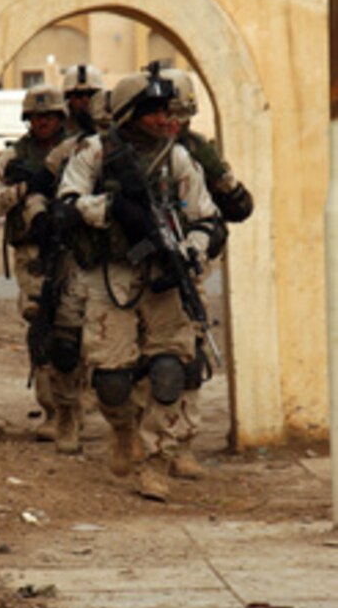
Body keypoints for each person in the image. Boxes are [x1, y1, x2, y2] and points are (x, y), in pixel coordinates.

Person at [56, 67, 226, 500]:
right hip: (111, 274)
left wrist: (191, 250)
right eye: (152, 112)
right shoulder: (94, 153)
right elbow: (67, 207)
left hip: (166, 280)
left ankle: (157, 463)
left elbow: (207, 219)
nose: (162, 120)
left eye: (165, 111)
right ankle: (123, 429)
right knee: (111, 382)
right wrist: (113, 209)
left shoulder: (177, 158)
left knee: (170, 371)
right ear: (130, 114)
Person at [0, 84, 69, 439]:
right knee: (42, 327)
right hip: (33, 253)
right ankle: (53, 410)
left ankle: (74, 407)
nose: (43, 122)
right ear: (28, 120)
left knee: (76, 328)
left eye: (49, 116)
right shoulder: (12, 158)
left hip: (75, 250)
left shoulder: (78, 151)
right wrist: (21, 191)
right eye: (37, 117)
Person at [160, 67, 254, 223]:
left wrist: (221, 176)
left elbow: (241, 209)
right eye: (168, 115)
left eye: (181, 116)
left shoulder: (195, 147)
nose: (174, 124)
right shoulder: (131, 149)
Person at [62, 63, 104, 136]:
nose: (85, 101)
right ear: (69, 98)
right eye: (79, 95)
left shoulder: (108, 127)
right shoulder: (59, 129)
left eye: (90, 94)